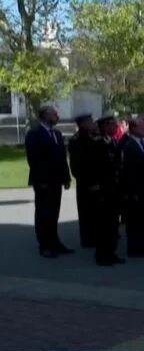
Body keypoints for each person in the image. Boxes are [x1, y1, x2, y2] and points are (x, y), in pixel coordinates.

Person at [25, 106, 73, 258]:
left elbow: (61, 158)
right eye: (54, 113)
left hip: (56, 180)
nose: (57, 116)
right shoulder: (34, 134)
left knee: (54, 212)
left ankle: (54, 241)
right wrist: (41, 180)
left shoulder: (57, 134)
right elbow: (34, 160)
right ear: (45, 116)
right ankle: (44, 245)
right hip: (44, 182)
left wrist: (66, 177)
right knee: (43, 213)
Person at [120, 118, 144, 257]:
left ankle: (143, 243)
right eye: (142, 127)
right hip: (137, 189)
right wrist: (132, 191)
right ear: (134, 128)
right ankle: (134, 247)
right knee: (135, 219)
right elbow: (129, 171)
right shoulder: (129, 145)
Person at [94, 116, 124, 265]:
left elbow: (117, 162)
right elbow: (94, 167)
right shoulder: (97, 143)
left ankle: (111, 251)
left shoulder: (112, 141)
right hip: (103, 188)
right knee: (103, 223)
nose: (115, 127)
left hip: (114, 187)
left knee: (113, 222)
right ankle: (102, 254)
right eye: (112, 125)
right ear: (104, 126)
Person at [68, 114, 99, 248]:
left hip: (94, 181)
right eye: (89, 121)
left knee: (94, 212)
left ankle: (93, 236)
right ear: (83, 124)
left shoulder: (91, 138)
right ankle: (87, 239)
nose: (92, 123)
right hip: (86, 182)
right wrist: (88, 182)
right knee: (86, 211)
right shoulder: (77, 140)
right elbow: (77, 165)